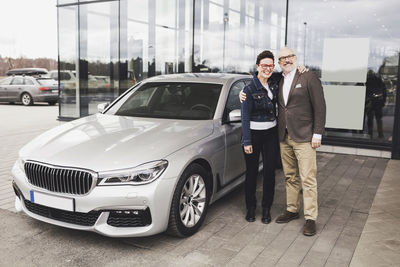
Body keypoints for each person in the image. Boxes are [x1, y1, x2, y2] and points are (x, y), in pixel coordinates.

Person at [274, 47, 326, 236]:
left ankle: (311, 218)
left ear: (295, 58)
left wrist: (317, 133)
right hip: (284, 136)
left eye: (289, 56)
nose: (287, 60)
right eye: (282, 58)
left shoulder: (308, 77)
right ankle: (292, 209)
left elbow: (320, 106)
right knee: (290, 176)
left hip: (304, 136)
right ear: (279, 62)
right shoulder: (279, 79)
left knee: (308, 179)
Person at [241, 50, 279, 224]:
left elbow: (290, 73)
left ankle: (266, 208)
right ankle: (250, 207)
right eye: (264, 65)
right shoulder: (248, 89)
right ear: (257, 66)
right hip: (254, 136)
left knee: (270, 173)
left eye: (271, 66)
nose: (268, 69)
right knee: (251, 173)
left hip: (271, 134)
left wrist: (301, 68)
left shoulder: (274, 83)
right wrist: (247, 141)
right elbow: (245, 116)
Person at [365, 69, 386, 139]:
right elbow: (384, 91)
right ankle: (380, 134)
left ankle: (370, 134)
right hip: (378, 102)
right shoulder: (379, 80)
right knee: (378, 119)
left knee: (370, 119)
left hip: (370, 102)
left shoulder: (367, 81)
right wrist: (383, 101)